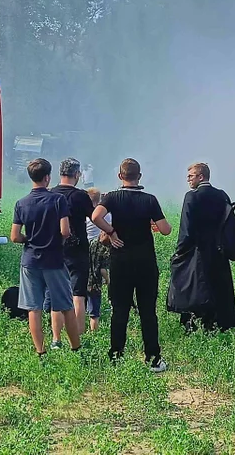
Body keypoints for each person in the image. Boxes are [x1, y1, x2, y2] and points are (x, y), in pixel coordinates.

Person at [91, 158, 171, 372]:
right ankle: (153, 358)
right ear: (140, 177)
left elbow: (95, 216)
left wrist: (111, 231)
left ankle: (116, 356)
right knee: (148, 312)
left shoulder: (112, 197)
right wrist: (155, 222)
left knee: (120, 311)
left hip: (121, 262)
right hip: (145, 263)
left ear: (120, 176)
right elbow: (166, 230)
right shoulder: (150, 200)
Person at [10, 158, 82, 355]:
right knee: (66, 305)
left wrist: (29, 238)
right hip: (54, 259)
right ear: (48, 177)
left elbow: (15, 236)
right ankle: (76, 348)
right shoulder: (57, 200)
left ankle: (40, 351)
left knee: (34, 308)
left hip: (30, 261)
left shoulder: (21, 203)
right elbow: (65, 230)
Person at [170, 163, 235, 334]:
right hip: (218, 251)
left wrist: (179, 252)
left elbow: (186, 230)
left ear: (201, 177)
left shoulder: (192, 197)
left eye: (191, 176)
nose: (188, 179)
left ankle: (194, 327)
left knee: (196, 289)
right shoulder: (222, 195)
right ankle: (218, 326)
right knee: (218, 289)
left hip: (197, 252)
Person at [46, 158, 95, 346]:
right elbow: (93, 217)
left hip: (55, 249)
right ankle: (78, 336)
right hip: (78, 249)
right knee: (78, 294)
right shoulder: (80, 196)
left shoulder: (51, 194)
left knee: (57, 294)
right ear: (77, 175)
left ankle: (56, 339)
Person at [85, 187, 111, 332]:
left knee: (78, 300)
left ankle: (78, 329)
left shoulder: (85, 215)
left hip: (84, 253)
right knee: (94, 310)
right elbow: (102, 269)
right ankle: (94, 332)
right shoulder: (105, 216)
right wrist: (108, 280)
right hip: (99, 250)